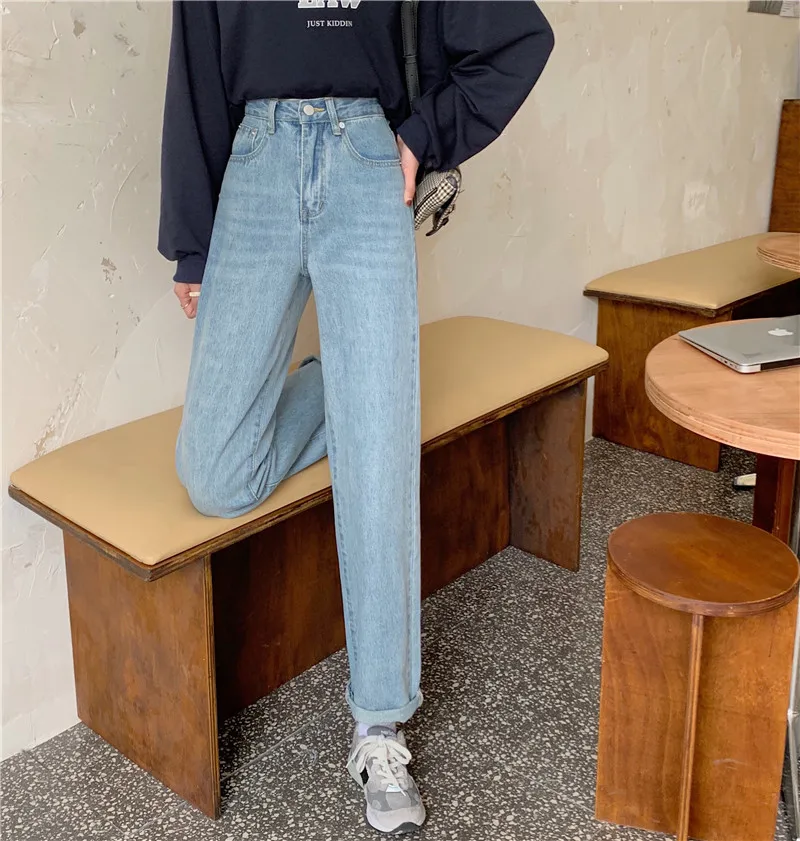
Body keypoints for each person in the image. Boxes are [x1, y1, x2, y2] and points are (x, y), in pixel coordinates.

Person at [159, 1, 553, 833]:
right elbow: (194, 71)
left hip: (368, 157)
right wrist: (193, 242)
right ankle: (352, 387)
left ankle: (380, 723)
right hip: (255, 164)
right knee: (216, 473)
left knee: (377, 465)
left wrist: (422, 136)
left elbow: (519, 37)